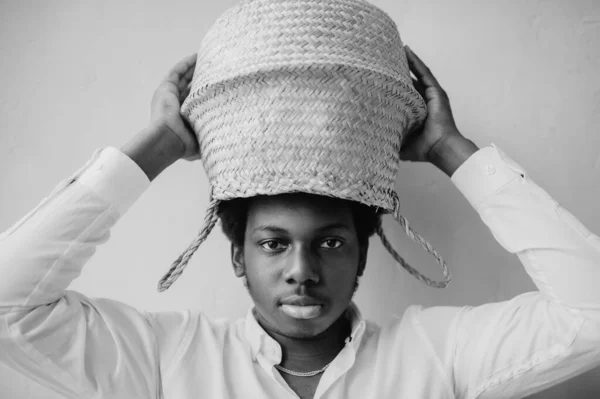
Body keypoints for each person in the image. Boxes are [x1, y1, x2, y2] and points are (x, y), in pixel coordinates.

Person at [0, 47, 599, 399]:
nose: (302, 270)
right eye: (273, 243)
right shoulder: (166, 357)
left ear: (364, 253)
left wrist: (451, 151)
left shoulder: (438, 354)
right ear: (237, 256)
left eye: (332, 242)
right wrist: (158, 145)